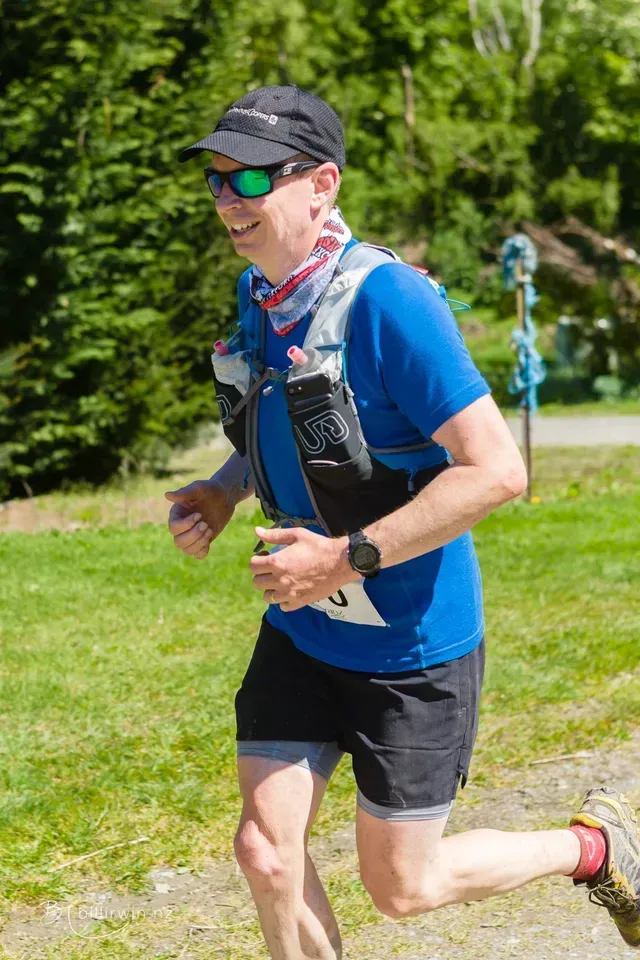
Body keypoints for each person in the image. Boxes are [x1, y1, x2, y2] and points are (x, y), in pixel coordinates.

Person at [166, 84, 640, 959]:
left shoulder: (393, 304)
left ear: (322, 184)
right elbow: (284, 427)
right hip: (307, 628)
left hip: (412, 648)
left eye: (254, 177)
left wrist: (345, 559)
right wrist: (225, 491)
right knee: (264, 850)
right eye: (218, 181)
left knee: (403, 888)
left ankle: (596, 850)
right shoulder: (261, 293)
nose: (231, 199)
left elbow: (499, 471)